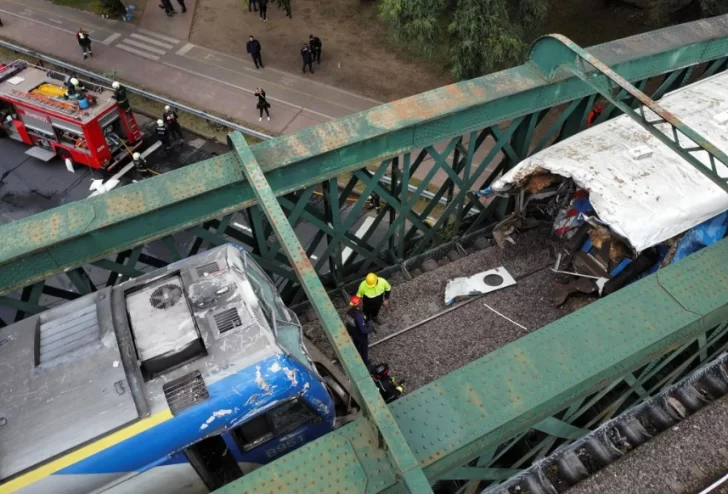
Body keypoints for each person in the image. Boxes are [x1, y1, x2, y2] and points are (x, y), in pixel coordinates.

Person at [343, 296, 373, 366]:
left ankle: (357, 354)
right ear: (358, 303)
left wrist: (350, 332)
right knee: (364, 349)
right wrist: (370, 329)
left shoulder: (348, 313)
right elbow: (363, 330)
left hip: (354, 334)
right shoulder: (359, 316)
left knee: (356, 345)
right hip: (361, 336)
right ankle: (365, 362)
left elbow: (348, 324)